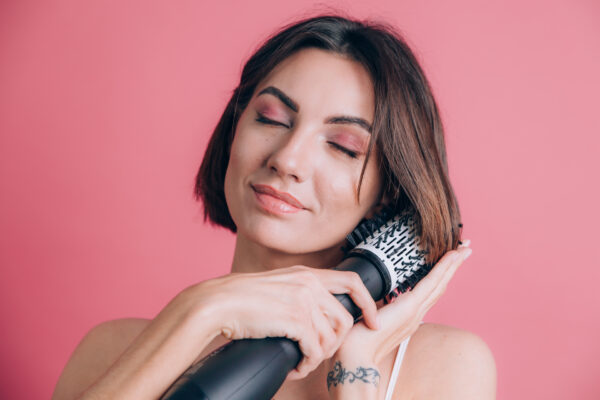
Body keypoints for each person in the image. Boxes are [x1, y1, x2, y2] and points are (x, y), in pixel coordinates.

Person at [52, 14, 496, 400]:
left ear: (388, 194)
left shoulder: (446, 366)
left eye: (343, 146)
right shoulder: (111, 351)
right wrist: (199, 311)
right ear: (235, 127)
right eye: (272, 118)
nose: (287, 159)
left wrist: (355, 371)